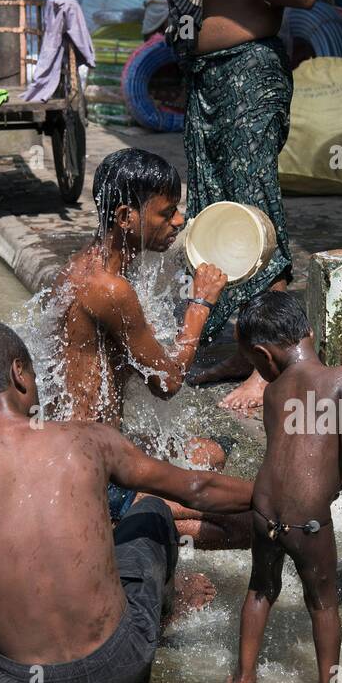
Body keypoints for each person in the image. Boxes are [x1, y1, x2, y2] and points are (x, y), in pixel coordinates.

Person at [0, 321, 253, 683]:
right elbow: (196, 487)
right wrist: (267, 495)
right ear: (19, 373)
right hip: (119, 668)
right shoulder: (89, 440)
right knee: (152, 510)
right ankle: (163, 613)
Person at [48, 147, 250, 549]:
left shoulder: (93, 265)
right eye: (166, 212)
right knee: (246, 524)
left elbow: (141, 364)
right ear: (126, 217)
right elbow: (168, 382)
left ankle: (130, 528)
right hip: (87, 475)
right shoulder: (108, 288)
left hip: (77, 448)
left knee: (209, 454)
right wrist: (201, 304)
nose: (179, 221)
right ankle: (116, 536)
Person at [224, 292, 342, 683]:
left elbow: (293, 450)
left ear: (264, 355)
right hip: (309, 523)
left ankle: (243, 682)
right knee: (322, 603)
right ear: (310, 332)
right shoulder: (341, 378)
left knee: (260, 589)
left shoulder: (272, 391)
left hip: (265, 512)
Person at [167, 0, 318, 412]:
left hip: (248, 74)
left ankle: (268, 368)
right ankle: (247, 347)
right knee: (217, 213)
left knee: (255, 215)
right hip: (208, 75)